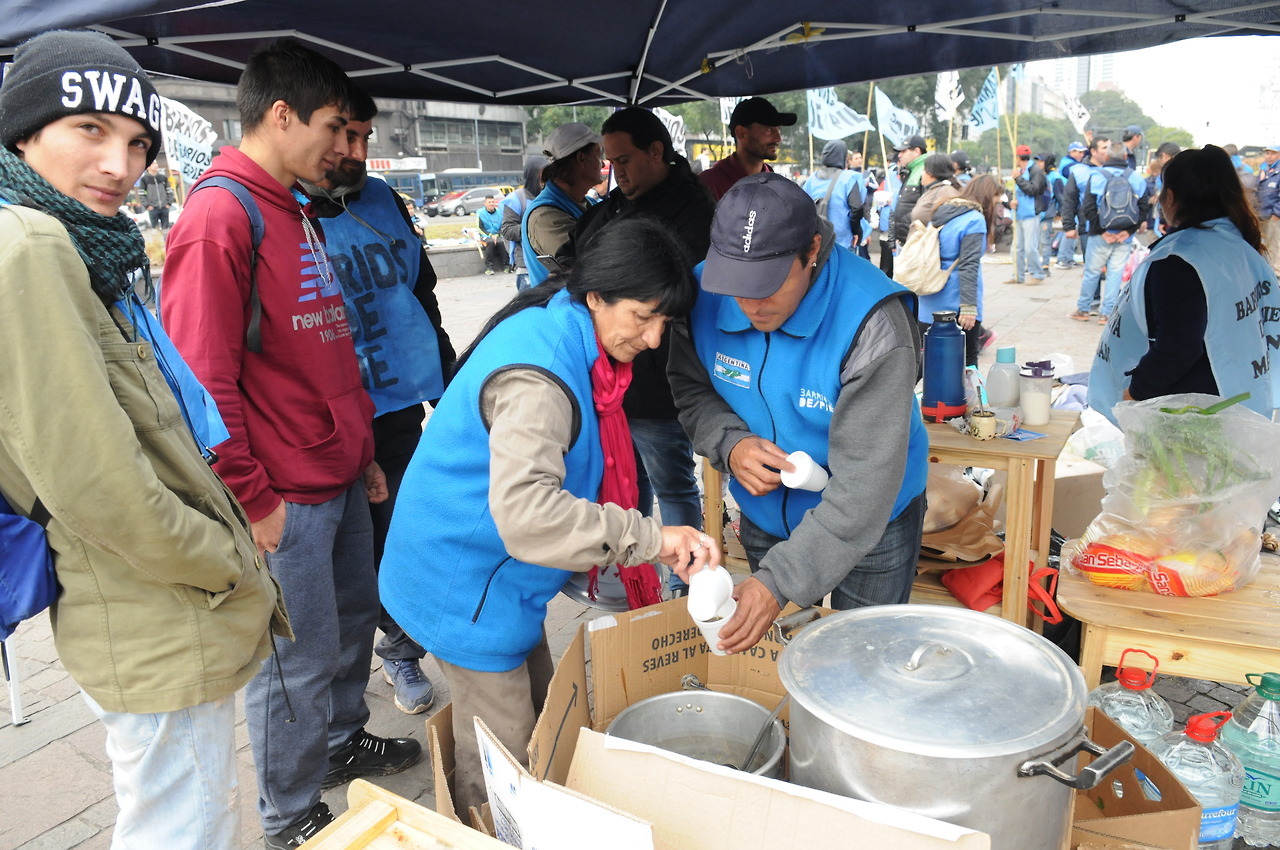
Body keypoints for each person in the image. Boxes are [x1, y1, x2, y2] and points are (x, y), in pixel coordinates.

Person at [0, 30, 285, 849]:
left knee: (175, 806)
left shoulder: (81, 250)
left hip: (133, 599)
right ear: (24, 134)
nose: (119, 167)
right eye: (87, 130)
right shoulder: (31, 244)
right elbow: (96, 484)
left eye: (136, 144)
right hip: (148, 602)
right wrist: (219, 558)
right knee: (186, 820)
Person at [162, 41, 419, 848]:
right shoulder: (219, 215)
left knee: (347, 628)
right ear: (281, 115)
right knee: (293, 662)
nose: (344, 149)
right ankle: (288, 813)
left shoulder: (291, 206)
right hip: (283, 495)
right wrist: (253, 497)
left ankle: (341, 747)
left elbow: (324, 346)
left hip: (337, 469)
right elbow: (199, 384)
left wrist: (362, 451)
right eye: (333, 129)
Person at [378, 217, 717, 813]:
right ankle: (481, 826)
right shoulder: (542, 378)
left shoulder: (567, 328)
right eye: (643, 316)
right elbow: (531, 517)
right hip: (463, 583)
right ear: (596, 296)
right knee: (502, 765)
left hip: (497, 576)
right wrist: (652, 538)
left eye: (666, 321)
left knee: (538, 711)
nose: (655, 339)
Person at [669, 172, 929, 655]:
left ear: (811, 251)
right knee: (776, 657)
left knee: (863, 659)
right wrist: (730, 442)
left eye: (768, 284)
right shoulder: (704, 293)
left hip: (874, 520)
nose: (750, 304)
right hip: (765, 510)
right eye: (737, 285)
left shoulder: (873, 325)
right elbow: (690, 388)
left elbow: (863, 489)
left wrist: (778, 582)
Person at [299, 85, 456, 717]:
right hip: (324, 419)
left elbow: (421, 293)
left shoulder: (384, 202)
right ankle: (347, 673)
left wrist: (447, 377)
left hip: (396, 404)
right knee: (350, 550)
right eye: (346, 136)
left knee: (400, 525)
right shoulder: (284, 212)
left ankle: (400, 648)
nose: (357, 151)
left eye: (366, 137)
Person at [570, 107, 716, 595]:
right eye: (610, 162)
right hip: (610, 378)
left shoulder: (693, 206)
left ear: (658, 151)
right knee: (626, 482)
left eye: (626, 159)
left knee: (671, 480)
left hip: (659, 380)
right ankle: (634, 571)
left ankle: (686, 580)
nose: (618, 172)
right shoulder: (614, 205)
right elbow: (581, 258)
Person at [1089, 144, 1278, 423]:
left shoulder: (1180, 259)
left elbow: (1178, 345)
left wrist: (1137, 391)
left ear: (1171, 196)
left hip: (1192, 414)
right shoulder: (1238, 245)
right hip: (1237, 399)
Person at [921, 175, 1003, 367]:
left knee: (929, 363)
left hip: (930, 298)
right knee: (966, 365)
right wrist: (968, 308)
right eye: (996, 200)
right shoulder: (974, 220)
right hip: (956, 300)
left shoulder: (943, 211)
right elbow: (968, 265)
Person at [1070, 144, 1149, 324]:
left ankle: (1083, 309)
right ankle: (1107, 314)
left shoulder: (1096, 176)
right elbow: (1143, 208)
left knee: (1091, 272)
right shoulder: (1136, 178)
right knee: (1115, 273)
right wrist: (1127, 232)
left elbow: (1088, 208)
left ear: (1107, 158)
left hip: (1099, 235)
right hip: (1124, 236)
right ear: (1125, 157)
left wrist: (1102, 231)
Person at [521, 122, 602, 286]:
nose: (603, 163)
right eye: (598, 155)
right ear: (581, 158)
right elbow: (592, 265)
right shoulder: (545, 216)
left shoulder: (590, 203)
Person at [699, 97, 796, 201]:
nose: (778, 139)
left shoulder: (775, 182)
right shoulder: (710, 183)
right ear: (741, 133)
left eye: (779, 131)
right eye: (769, 130)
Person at [803, 139, 866, 250]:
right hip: (842, 240)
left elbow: (802, 205)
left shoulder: (811, 179)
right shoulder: (849, 178)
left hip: (816, 240)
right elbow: (856, 208)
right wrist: (856, 231)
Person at [500, 155, 547, 291]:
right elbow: (507, 229)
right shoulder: (516, 199)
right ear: (532, 175)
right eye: (542, 175)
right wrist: (533, 228)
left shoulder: (548, 196)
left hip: (549, 264)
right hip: (526, 266)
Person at [1008, 144, 1047, 285]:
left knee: (1031, 247)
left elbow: (1034, 189)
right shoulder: (1018, 170)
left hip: (1031, 214)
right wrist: (1010, 202)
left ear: (1018, 157)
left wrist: (1019, 179)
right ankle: (1017, 275)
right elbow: (1010, 190)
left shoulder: (1035, 170)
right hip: (1018, 213)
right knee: (1016, 248)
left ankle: (1037, 274)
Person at [890, 134, 928, 249]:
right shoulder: (911, 171)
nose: (899, 155)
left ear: (916, 151)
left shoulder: (925, 172)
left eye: (903, 151)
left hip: (916, 242)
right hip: (906, 240)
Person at [1055, 141, 1088, 267]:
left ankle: (1068, 257)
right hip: (1069, 201)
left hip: (1074, 200)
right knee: (1069, 230)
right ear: (1072, 152)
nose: (1082, 155)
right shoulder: (1068, 165)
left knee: (1075, 230)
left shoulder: (1073, 164)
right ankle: (1062, 258)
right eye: (1079, 152)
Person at [910, 152, 961, 224]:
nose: (922, 173)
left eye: (924, 170)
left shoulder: (945, 192)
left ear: (930, 172)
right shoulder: (933, 189)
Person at [1256, 144, 1280, 274]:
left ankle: (1276, 272)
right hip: (1262, 214)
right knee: (1263, 243)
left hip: (1273, 215)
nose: (1269, 156)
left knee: (1274, 243)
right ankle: (1267, 269)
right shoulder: (1264, 170)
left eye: (1273, 153)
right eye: (1267, 153)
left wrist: (1277, 213)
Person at [138, 161, 172, 230]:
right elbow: (141, 194)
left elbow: (169, 191)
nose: (156, 165)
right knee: (155, 229)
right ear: (148, 167)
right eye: (153, 163)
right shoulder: (144, 179)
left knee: (166, 228)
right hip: (153, 208)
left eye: (156, 163)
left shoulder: (163, 178)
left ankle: (166, 240)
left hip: (164, 207)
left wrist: (169, 203)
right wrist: (147, 205)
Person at [477, 193, 504, 274]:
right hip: (485, 235)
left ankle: (507, 265)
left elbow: (503, 226)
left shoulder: (500, 212)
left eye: (493, 202)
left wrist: (497, 234)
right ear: (485, 203)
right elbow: (479, 227)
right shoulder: (480, 213)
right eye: (489, 202)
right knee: (490, 243)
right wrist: (490, 235)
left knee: (503, 242)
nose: (491, 204)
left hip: (498, 234)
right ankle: (489, 267)